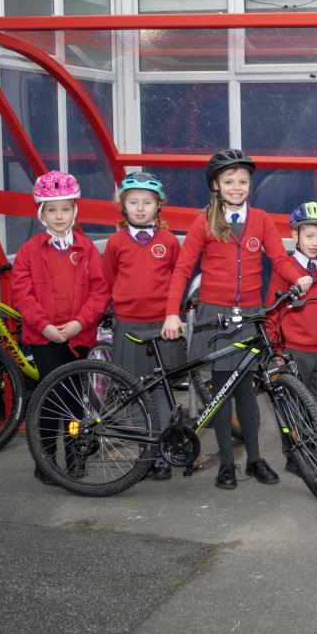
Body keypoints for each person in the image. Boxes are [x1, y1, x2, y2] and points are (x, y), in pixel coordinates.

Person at [162, 149, 311, 490]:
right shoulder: (205, 221)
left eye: (243, 181)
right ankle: (227, 464)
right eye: (229, 181)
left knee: (247, 391)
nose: (237, 187)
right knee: (222, 394)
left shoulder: (260, 219)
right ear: (216, 184)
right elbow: (183, 268)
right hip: (214, 317)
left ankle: (256, 459)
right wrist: (172, 312)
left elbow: (280, 258)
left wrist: (300, 276)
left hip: (249, 315)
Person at [11, 170, 110, 483]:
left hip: (77, 337)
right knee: (49, 400)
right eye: (51, 210)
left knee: (74, 402)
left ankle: (75, 457)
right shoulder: (28, 252)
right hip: (45, 340)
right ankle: (46, 462)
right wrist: (45, 327)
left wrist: (79, 322)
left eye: (65, 209)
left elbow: (99, 291)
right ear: (41, 213)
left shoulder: (86, 250)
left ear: (74, 212)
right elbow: (21, 295)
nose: (59, 216)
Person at [101, 172, 184, 481]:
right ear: (123, 207)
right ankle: (144, 453)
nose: (139, 208)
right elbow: (108, 279)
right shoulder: (115, 242)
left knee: (161, 390)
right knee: (134, 391)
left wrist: (172, 314)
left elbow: (178, 278)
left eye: (146, 202)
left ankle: (162, 452)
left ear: (157, 206)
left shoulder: (168, 241)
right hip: (129, 327)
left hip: (162, 327)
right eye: (133, 203)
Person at [267, 201, 317, 448]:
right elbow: (273, 312)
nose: (315, 242)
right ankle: (296, 454)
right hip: (293, 351)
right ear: (294, 234)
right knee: (293, 403)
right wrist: (275, 350)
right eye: (308, 235)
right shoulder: (285, 270)